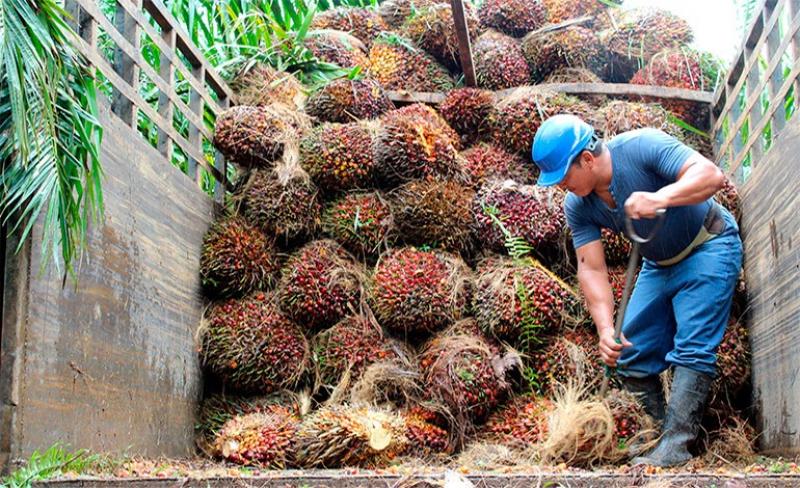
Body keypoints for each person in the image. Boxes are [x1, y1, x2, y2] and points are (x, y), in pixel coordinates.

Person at [530, 114, 743, 467]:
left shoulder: (643, 146)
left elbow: (711, 176)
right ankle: (657, 437)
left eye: (564, 177)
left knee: (692, 346)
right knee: (628, 351)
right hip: (658, 265)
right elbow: (591, 268)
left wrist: (662, 197)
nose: (561, 186)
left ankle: (675, 447)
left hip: (708, 244)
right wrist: (605, 329)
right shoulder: (578, 205)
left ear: (586, 158)